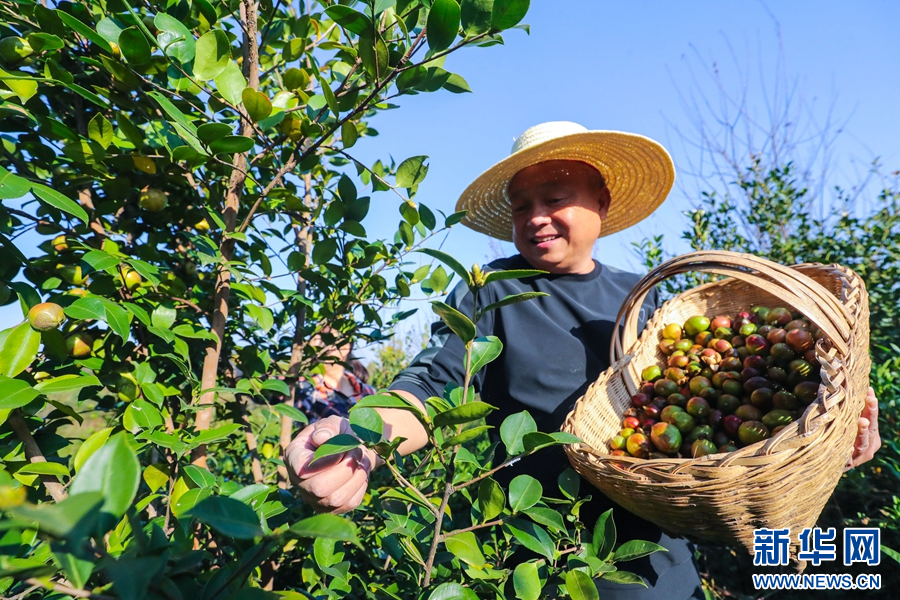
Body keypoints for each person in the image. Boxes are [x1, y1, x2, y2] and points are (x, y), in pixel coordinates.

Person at [285, 122, 882, 597]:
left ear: (601, 201)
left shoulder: (648, 302)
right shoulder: (494, 289)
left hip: (656, 566)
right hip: (538, 563)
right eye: (521, 206)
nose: (535, 217)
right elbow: (435, 383)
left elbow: (730, 438)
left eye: (555, 198)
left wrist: (836, 448)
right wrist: (360, 437)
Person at [294, 328, 375, 422]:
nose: (320, 344)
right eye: (315, 337)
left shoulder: (369, 392)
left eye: (327, 336)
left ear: (346, 346)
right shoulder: (302, 388)